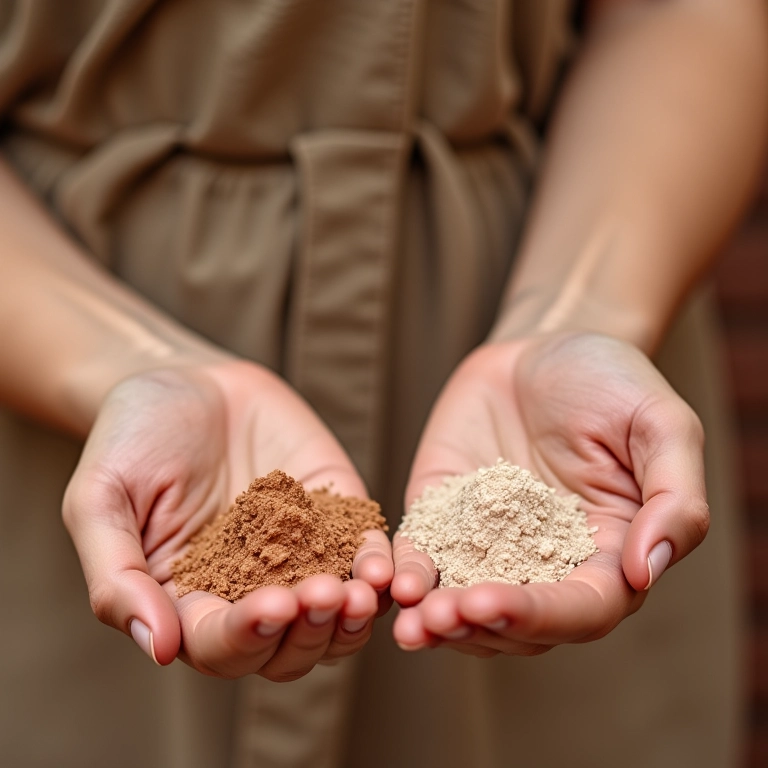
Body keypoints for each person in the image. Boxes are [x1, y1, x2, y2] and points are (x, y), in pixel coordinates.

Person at [0, 0, 766, 766]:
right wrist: (118, 363)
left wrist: (576, 307)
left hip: (551, 272)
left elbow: (684, 13)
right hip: (52, 335)